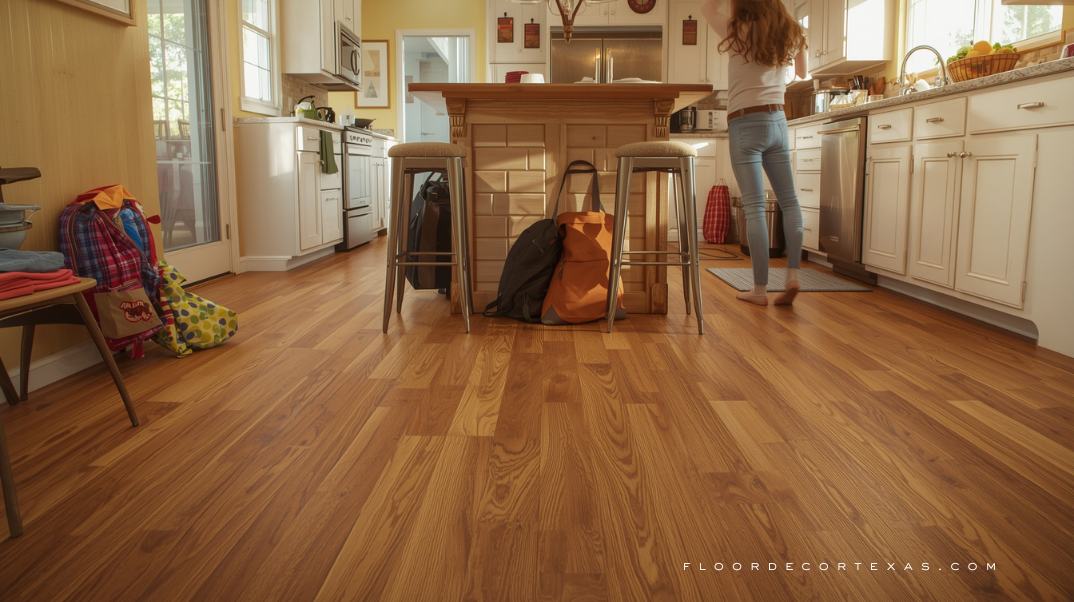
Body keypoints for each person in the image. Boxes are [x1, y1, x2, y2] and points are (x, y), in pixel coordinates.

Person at [701, 0, 807, 306]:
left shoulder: (737, 29)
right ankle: (793, 274)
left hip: (745, 121)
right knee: (789, 200)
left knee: (755, 208)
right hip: (777, 120)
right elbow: (802, 72)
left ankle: (760, 290)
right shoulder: (794, 32)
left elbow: (707, 7)